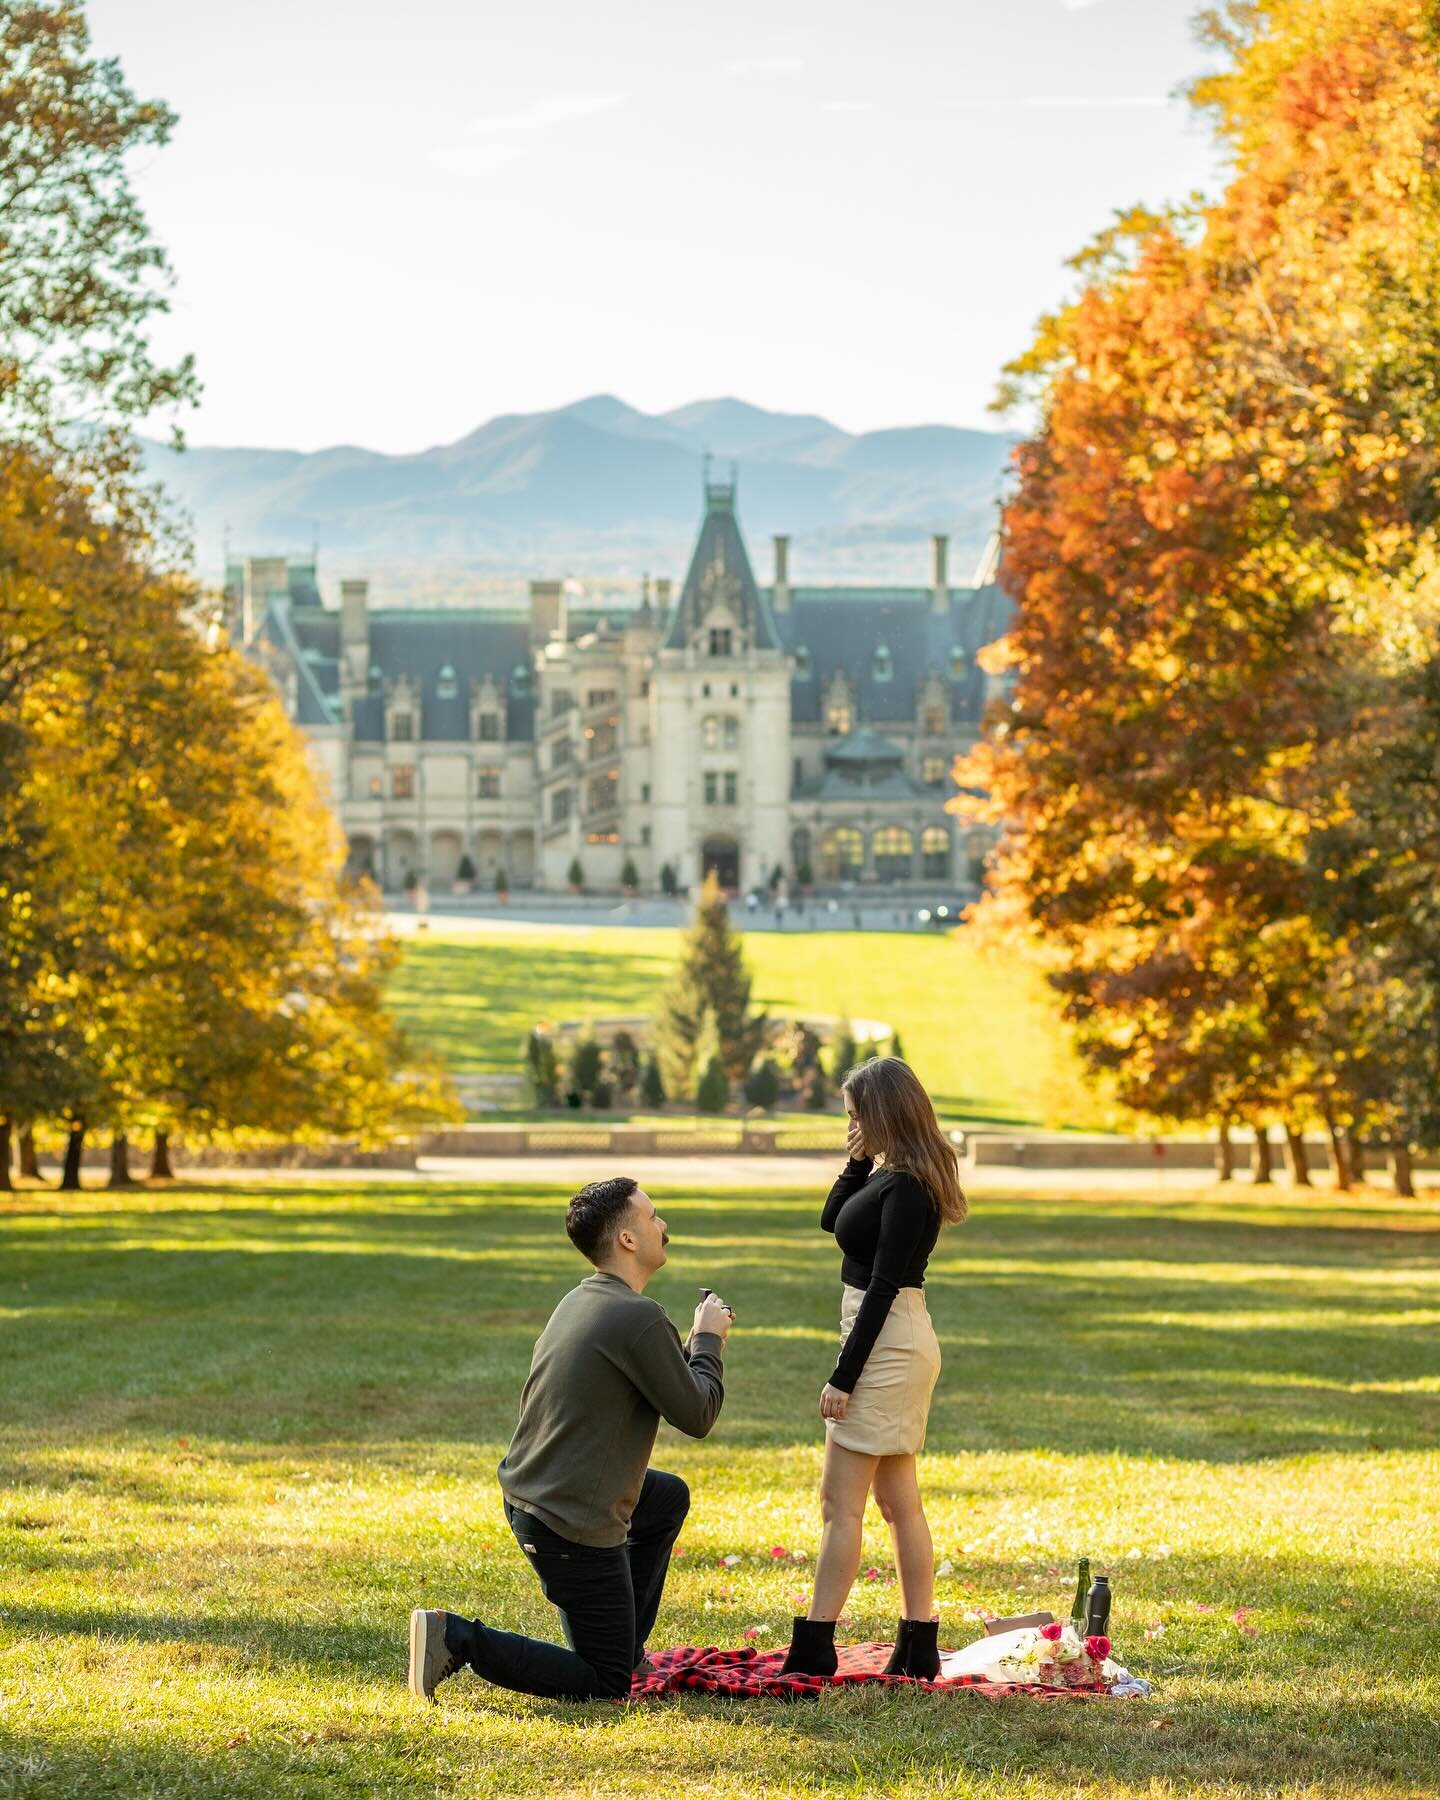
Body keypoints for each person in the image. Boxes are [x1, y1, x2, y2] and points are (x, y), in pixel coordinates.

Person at [409, 1177, 733, 1702]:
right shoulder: (637, 1316)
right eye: (652, 1217)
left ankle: (620, 1641)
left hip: (535, 1496)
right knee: (605, 1684)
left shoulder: (584, 1298)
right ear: (627, 1239)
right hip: (569, 1522)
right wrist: (709, 1340)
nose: (663, 1225)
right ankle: (457, 1638)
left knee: (666, 1497)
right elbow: (698, 1414)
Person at [781, 1056, 967, 1680]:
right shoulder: (889, 1175)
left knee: (842, 1504)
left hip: (888, 1343)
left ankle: (815, 1646)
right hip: (889, 1337)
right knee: (897, 1502)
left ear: (886, 1113)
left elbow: (885, 1285)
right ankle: (917, 1644)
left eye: (859, 1117)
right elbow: (832, 1220)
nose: (853, 1126)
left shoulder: (910, 1188)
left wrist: (844, 1376)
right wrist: (856, 1160)